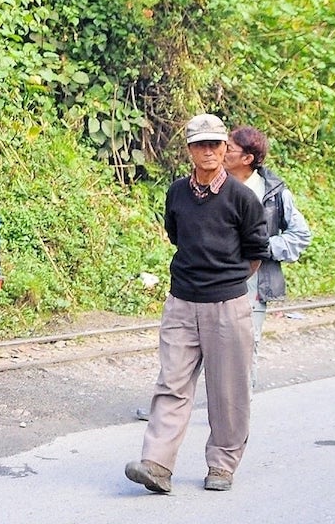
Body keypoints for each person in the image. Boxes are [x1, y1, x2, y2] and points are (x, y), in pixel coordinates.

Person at [125, 113, 270, 495]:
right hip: (181, 302)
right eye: (200, 145)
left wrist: (228, 281)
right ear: (189, 150)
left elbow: (256, 251)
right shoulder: (176, 193)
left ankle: (222, 465)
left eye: (215, 144)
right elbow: (177, 236)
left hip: (227, 304)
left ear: (225, 148)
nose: (208, 151)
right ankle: (156, 463)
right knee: (171, 382)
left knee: (227, 390)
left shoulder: (242, 198)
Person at [224, 125, 312, 367]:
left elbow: (300, 235)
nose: (221, 152)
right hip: (214, 284)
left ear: (247, 158)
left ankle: (242, 405)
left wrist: (261, 246)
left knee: (243, 357)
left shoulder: (273, 193)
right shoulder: (214, 185)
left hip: (252, 289)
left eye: (229, 149)